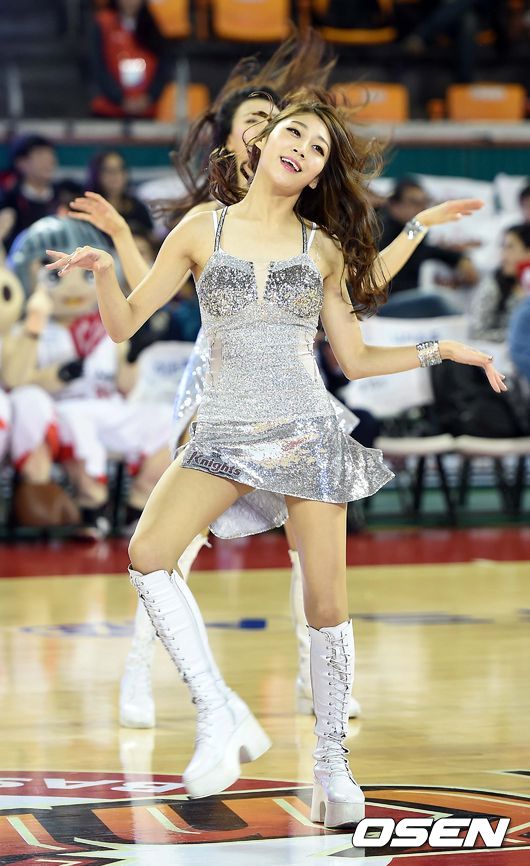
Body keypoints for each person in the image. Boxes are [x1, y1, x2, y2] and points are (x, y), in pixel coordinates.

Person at [46, 92, 505, 827]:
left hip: (305, 431)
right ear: (262, 144)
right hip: (224, 429)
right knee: (148, 553)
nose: (303, 149)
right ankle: (217, 710)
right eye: (295, 133)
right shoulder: (202, 226)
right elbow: (126, 323)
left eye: (318, 149)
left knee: (325, 604)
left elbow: (354, 359)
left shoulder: (322, 248)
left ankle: (332, 764)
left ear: (320, 173)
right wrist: (104, 269)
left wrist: (440, 348)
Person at [378, 176, 479, 317]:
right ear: (394, 204)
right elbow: (406, 243)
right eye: (414, 202)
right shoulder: (380, 230)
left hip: (403, 300)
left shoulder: (412, 230)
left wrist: (459, 259)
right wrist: (420, 222)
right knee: (434, 300)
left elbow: (428, 250)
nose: (421, 208)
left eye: (423, 203)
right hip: (381, 304)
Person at [89, 0, 173, 119]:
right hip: (108, 112)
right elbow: (98, 67)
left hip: (145, 111)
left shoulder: (155, 25)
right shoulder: (103, 24)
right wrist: (120, 99)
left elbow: (163, 68)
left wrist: (149, 97)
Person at [469, 224, 530, 342]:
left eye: (510, 247)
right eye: (503, 247)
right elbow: (476, 332)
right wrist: (518, 335)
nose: (503, 255)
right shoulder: (494, 285)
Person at [0, 135, 61, 253]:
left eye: (51, 154)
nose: (49, 161)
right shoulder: (8, 200)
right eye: (40, 155)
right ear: (21, 162)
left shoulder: (62, 197)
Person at [86, 150, 153, 233]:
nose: (115, 175)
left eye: (120, 169)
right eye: (108, 170)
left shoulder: (137, 208)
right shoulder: (87, 207)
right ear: (96, 174)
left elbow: (150, 235)